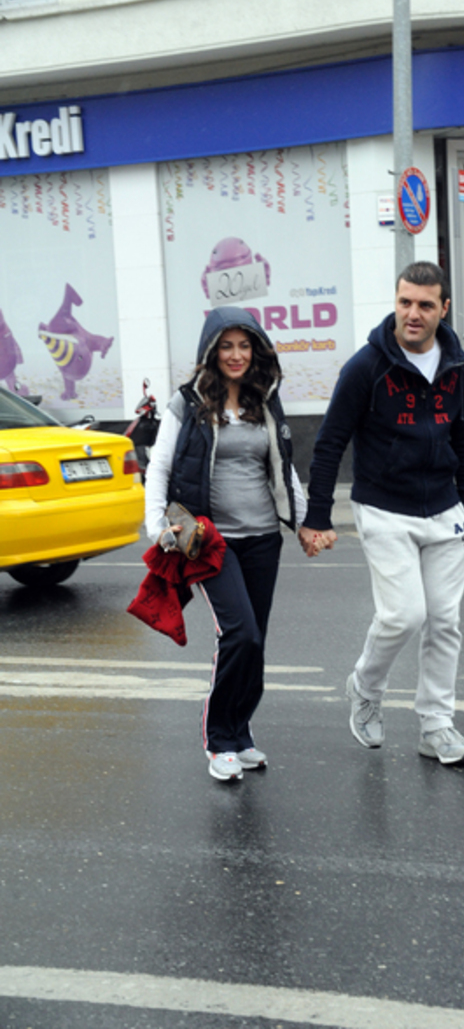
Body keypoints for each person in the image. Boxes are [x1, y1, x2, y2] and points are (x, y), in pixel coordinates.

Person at [299, 262, 464, 766]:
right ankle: (365, 685)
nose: (413, 314)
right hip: (383, 506)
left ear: (444, 308)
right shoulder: (367, 366)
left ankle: (436, 726)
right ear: (395, 302)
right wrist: (318, 516)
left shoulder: (457, 366)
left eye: (425, 304)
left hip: (445, 509)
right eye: (405, 302)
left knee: (444, 620)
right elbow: (330, 442)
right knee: (404, 615)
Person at [145, 306, 307, 782]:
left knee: (256, 643)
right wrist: (157, 526)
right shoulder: (187, 403)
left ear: (256, 350)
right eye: (226, 346)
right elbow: (160, 466)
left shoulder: (265, 399)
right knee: (240, 634)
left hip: (263, 538)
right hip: (212, 542)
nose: (236, 355)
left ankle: (241, 733)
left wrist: (306, 522)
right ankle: (219, 739)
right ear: (211, 351)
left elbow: (283, 466)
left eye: (244, 345)